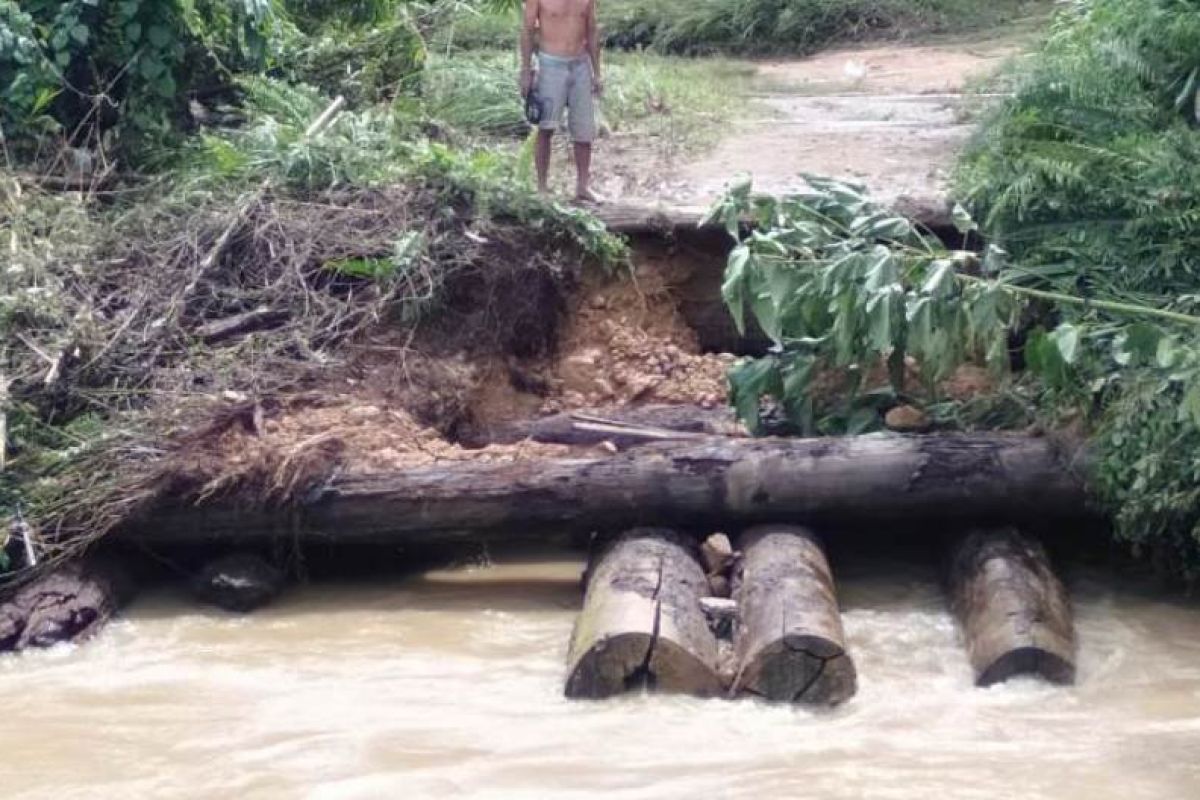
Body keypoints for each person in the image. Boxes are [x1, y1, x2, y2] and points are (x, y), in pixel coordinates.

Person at [520, 0, 603, 203]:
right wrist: (525, 70)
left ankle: (582, 186)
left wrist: (597, 72)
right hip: (550, 64)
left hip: (580, 64)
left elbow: (591, 30)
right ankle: (542, 187)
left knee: (584, 129)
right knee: (546, 127)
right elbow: (528, 30)